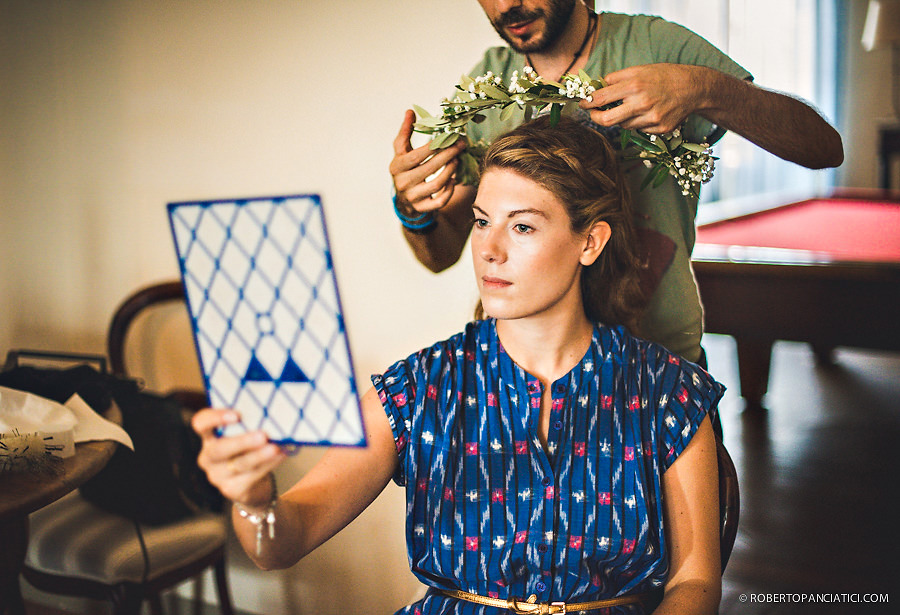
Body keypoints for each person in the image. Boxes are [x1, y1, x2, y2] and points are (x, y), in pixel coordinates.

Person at [194, 117, 726, 615]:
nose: (488, 250)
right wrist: (254, 500)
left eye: (522, 228)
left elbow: (694, 582)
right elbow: (279, 544)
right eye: (480, 221)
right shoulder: (421, 386)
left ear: (590, 241)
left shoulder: (667, 391)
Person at [390, 0, 844, 365]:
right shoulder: (486, 87)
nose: (508, 5)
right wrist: (413, 210)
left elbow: (823, 147)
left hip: (665, 369)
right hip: (535, 379)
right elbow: (442, 253)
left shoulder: (656, 46)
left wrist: (705, 89)